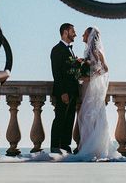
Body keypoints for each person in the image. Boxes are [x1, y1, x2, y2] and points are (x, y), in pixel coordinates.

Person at [71, 26, 120, 160]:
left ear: (90, 36)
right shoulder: (88, 51)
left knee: (91, 116)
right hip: (87, 87)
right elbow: (91, 66)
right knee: (86, 117)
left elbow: (105, 68)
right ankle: (88, 146)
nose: (82, 36)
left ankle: (95, 148)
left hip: (94, 88)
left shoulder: (96, 50)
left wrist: (90, 77)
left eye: (84, 34)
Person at [50, 23, 80, 154]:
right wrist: (63, 92)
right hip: (64, 92)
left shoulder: (70, 50)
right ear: (65, 32)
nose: (75, 34)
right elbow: (56, 73)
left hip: (73, 91)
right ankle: (55, 145)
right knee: (60, 118)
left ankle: (65, 145)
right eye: (73, 31)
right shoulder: (57, 49)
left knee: (69, 119)